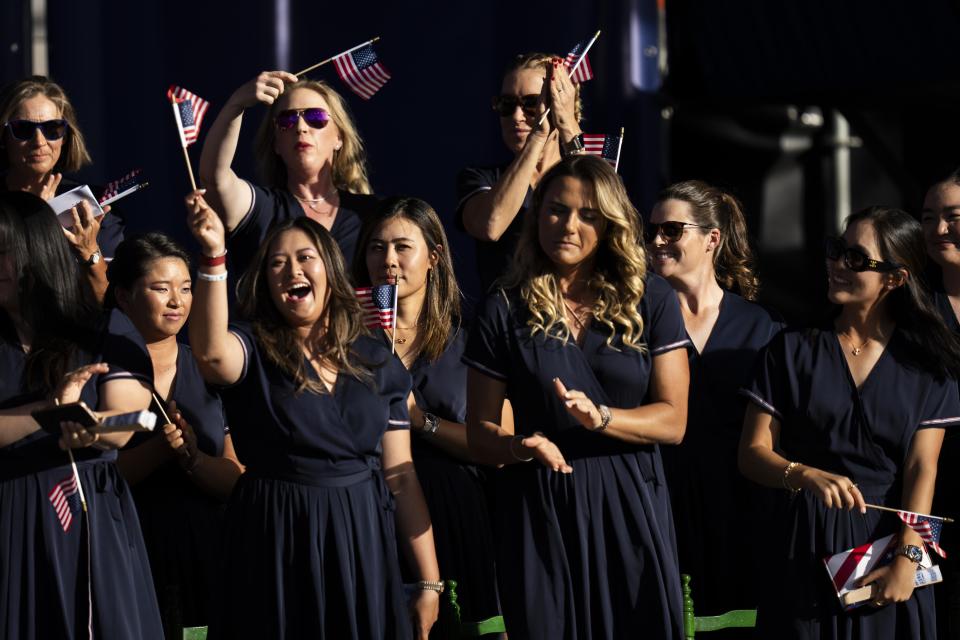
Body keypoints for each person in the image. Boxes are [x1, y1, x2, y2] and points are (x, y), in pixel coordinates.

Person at [185, 191, 440, 639]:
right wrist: (213, 256)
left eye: (305, 257)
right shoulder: (254, 346)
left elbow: (400, 476)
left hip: (358, 535)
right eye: (277, 264)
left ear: (331, 270)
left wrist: (428, 582)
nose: (292, 271)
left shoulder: (375, 356)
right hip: (274, 535)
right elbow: (209, 356)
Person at [463, 155, 690, 639]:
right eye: (555, 210)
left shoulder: (651, 297)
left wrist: (604, 417)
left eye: (587, 215)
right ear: (536, 215)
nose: (568, 225)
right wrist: (518, 445)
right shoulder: (504, 306)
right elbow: (479, 433)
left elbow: (673, 421)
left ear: (609, 224)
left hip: (631, 501)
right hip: (540, 502)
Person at [739, 206, 960, 638]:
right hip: (801, 544)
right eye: (836, 250)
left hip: (889, 547)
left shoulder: (930, 365)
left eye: (856, 258)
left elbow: (922, 470)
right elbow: (751, 454)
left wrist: (907, 561)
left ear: (894, 279)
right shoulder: (789, 349)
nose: (838, 265)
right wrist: (802, 474)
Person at [0, 191, 162, 638]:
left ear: (34, 253)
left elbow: (126, 422)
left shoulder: (101, 325)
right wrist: (47, 410)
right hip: (11, 513)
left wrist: (90, 427)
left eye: (2, 252)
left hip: (88, 511)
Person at [353, 196, 503, 632]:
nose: (389, 260)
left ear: (434, 257)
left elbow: (497, 445)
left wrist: (422, 422)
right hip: (371, 515)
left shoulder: (468, 339)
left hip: (458, 515)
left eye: (403, 247)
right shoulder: (344, 341)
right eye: (376, 248)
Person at [648, 180, 781, 625]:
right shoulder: (634, 317)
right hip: (659, 501)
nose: (657, 241)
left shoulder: (758, 325)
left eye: (671, 230)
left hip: (739, 510)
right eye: (651, 232)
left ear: (712, 238)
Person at [108, 233, 243, 638]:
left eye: (186, 288)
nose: (177, 301)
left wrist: (194, 459)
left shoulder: (209, 370)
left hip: (207, 555)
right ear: (123, 297)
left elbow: (236, 477)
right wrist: (158, 451)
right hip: (130, 550)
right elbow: (97, 479)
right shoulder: (104, 376)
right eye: (160, 288)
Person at [198, 73, 378, 272]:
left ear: (339, 137)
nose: (301, 127)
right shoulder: (262, 210)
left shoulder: (368, 216)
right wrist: (236, 104)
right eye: (287, 120)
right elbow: (214, 178)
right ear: (276, 143)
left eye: (315, 117)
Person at [457, 53, 585, 292]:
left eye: (531, 103)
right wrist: (537, 137)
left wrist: (568, 124)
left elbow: (612, 221)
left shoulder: (584, 173)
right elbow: (490, 226)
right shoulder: (482, 177)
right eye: (506, 105)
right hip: (508, 321)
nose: (516, 116)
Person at [0, 76, 127, 299]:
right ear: (4, 137)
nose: (39, 141)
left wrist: (89, 253)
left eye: (52, 128)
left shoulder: (91, 203)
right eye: (23, 129)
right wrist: (35, 218)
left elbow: (111, 301)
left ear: (66, 136)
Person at [919, 169, 960, 638]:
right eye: (929, 218)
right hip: (934, 500)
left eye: (952, 217)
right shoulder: (916, 312)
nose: (938, 230)